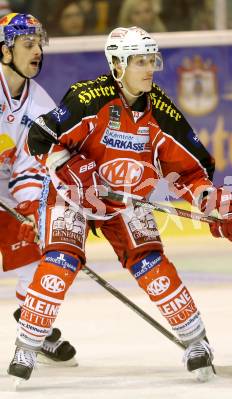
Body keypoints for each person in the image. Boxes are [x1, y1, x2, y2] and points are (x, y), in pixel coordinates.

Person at [7, 26, 232, 383]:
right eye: (139, 62)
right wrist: (72, 166)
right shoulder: (88, 98)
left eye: (151, 60)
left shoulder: (161, 112)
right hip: (71, 195)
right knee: (59, 262)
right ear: (117, 65)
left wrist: (214, 204)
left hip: (125, 201)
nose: (149, 69)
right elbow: (40, 138)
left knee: (151, 264)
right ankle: (27, 345)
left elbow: (191, 173)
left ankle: (196, 341)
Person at [0, 12, 77, 370]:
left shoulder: (41, 104)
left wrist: (31, 204)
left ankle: (32, 320)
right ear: (4, 51)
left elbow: (31, 164)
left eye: (38, 45)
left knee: (38, 253)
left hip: (6, 191)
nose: (36, 52)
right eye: (27, 44)